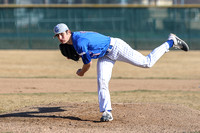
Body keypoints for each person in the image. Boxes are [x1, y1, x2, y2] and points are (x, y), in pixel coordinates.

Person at [53, 23, 189, 122]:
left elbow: (88, 64)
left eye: (62, 34)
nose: (60, 37)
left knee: (147, 62)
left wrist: (81, 72)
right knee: (102, 81)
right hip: (105, 56)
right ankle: (107, 112)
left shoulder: (79, 42)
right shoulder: (74, 40)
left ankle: (171, 42)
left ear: (68, 31)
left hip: (116, 47)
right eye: (57, 35)